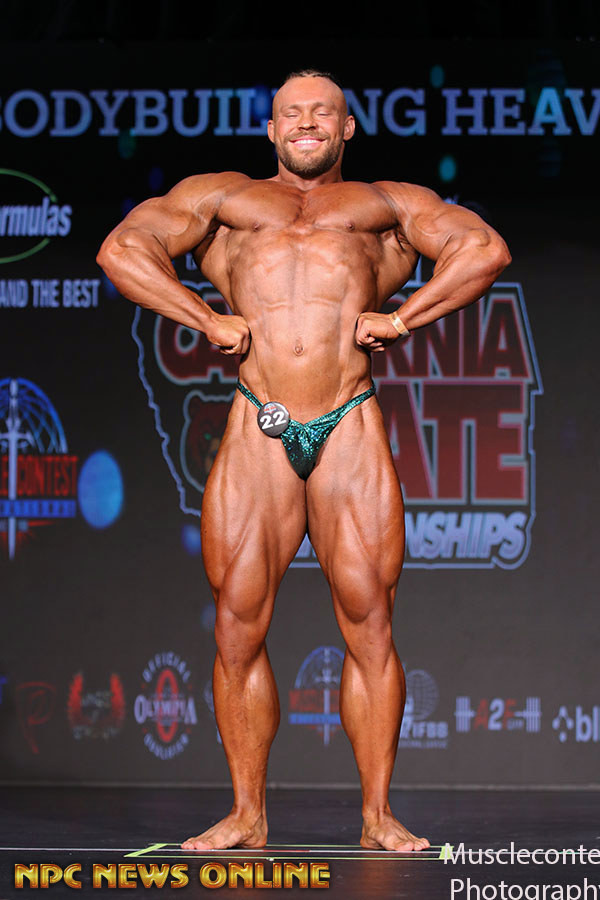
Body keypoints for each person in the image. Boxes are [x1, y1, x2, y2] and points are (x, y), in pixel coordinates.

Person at [97, 69, 510, 852]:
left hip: (348, 419)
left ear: (348, 127)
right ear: (272, 128)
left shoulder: (386, 206)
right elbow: (122, 249)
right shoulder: (225, 200)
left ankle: (377, 817)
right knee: (236, 624)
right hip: (260, 419)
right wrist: (202, 317)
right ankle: (247, 814)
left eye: (323, 112)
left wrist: (405, 317)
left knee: (370, 620)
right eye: (293, 113)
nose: (307, 122)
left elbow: (483, 248)